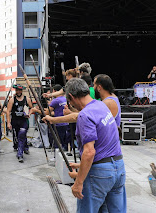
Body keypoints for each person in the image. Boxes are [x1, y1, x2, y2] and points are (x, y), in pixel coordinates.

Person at [48, 78, 126, 212]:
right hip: (118, 168)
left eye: (70, 101)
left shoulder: (85, 115)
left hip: (100, 174)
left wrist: (78, 182)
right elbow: (104, 143)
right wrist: (81, 165)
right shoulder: (101, 105)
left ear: (71, 97)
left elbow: (90, 152)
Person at [6, 84, 33, 163]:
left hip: (24, 121)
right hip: (15, 121)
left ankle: (20, 154)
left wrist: (29, 113)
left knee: (21, 135)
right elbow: (8, 111)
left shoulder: (26, 99)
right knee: (18, 137)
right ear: (15, 90)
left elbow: (32, 108)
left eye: (20, 90)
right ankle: (25, 147)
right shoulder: (12, 100)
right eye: (17, 90)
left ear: (22, 91)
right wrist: (8, 123)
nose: (18, 92)